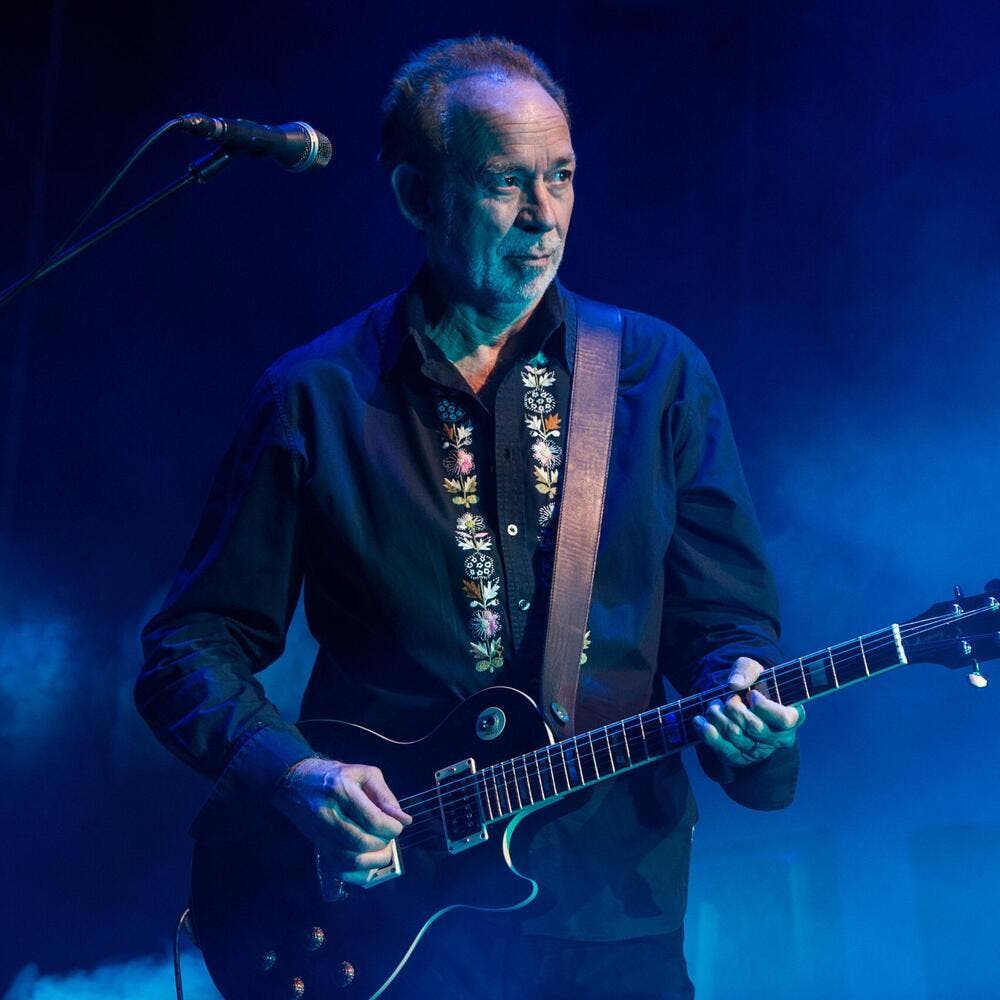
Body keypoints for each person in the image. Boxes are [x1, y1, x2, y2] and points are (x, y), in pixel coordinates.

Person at [137, 36, 804, 999]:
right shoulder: (315, 396)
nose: (544, 215)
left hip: (614, 909)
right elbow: (190, 647)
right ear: (418, 197)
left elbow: (726, 626)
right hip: (385, 918)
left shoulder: (657, 377)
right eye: (505, 183)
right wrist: (293, 775)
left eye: (561, 176)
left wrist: (746, 695)